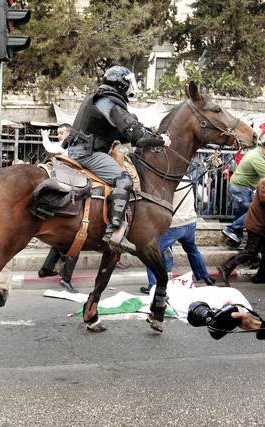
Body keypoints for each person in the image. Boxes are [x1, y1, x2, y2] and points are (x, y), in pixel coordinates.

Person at [68, 65, 170, 251]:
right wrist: (160, 140)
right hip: (88, 153)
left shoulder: (101, 98)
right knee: (124, 180)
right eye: (128, 83)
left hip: (80, 150)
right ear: (121, 84)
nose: (130, 87)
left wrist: (146, 132)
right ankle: (114, 231)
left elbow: (123, 135)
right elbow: (135, 135)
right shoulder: (109, 102)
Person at [140, 180, 216, 294]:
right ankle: (205, 276)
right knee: (193, 250)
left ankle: (153, 286)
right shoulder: (187, 180)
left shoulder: (169, 183)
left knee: (151, 253)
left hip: (175, 225)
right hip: (190, 222)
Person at [38, 124, 80, 292]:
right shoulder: (69, 147)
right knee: (75, 240)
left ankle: (47, 268)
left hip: (70, 193)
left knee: (64, 239)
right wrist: (45, 138)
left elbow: (51, 147)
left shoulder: (70, 146)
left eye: (62, 133)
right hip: (71, 196)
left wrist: (45, 137)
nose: (60, 136)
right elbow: (51, 147)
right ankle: (64, 278)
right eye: (58, 133)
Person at [217, 177, 265, 286]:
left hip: (261, 224)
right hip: (256, 223)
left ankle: (261, 277)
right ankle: (225, 267)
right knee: (251, 251)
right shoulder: (264, 182)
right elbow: (263, 199)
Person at [221, 141, 265, 246]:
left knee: (242, 213)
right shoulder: (257, 158)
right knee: (253, 212)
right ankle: (232, 229)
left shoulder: (257, 152)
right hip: (240, 188)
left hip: (242, 187)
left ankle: (234, 240)